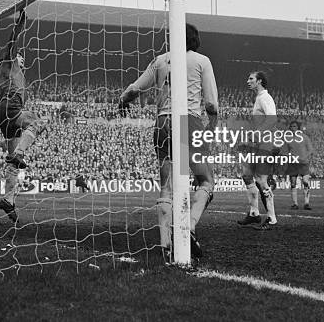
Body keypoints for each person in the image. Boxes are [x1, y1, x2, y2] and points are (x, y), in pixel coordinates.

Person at [118, 23, 218, 259]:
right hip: (187, 122)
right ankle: (188, 226)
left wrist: (122, 100)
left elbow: (135, 88)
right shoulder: (201, 61)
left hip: (162, 122)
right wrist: (213, 123)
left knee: (167, 185)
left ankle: (165, 244)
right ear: (196, 40)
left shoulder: (160, 60)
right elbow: (211, 104)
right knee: (205, 181)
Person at [0, 8, 46, 223]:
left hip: (4, 117)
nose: (21, 58)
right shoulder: (9, 63)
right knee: (39, 122)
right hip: (11, 108)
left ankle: (8, 200)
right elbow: (12, 44)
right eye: (20, 56)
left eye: (22, 57)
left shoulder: (13, 77)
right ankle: (19, 153)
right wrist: (19, 25)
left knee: (12, 166)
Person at [237, 71, 279, 230]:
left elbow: (272, 118)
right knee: (247, 175)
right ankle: (254, 213)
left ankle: (272, 218)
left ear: (259, 81)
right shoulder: (259, 98)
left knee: (261, 179)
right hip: (259, 143)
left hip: (267, 142)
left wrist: (258, 133)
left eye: (251, 79)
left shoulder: (265, 98)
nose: (248, 81)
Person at [284, 120, 313, 210]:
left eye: (295, 126)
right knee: (293, 183)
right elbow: (285, 151)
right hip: (293, 163)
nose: (293, 128)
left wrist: (305, 157)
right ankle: (295, 204)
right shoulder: (288, 139)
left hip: (304, 163)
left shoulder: (305, 138)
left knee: (305, 181)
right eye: (291, 126)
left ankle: (306, 203)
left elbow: (310, 150)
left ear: (298, 128)